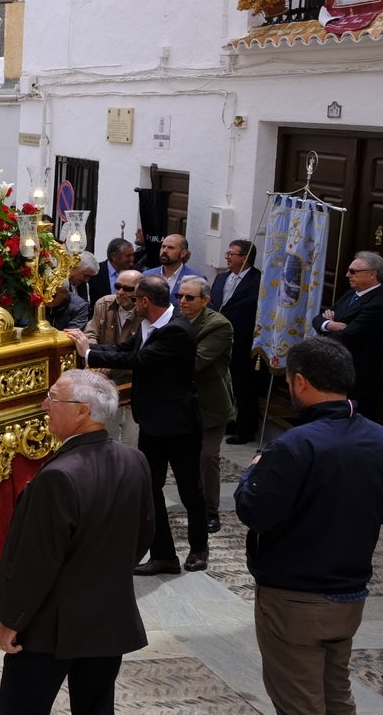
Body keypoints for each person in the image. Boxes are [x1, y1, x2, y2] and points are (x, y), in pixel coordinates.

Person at [235, 337, 383, 715]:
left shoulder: (294, 445)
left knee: (299, 703)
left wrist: (253, 472)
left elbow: (254, 512)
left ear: (299, 382)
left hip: (294, 596)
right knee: (336, 695)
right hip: (351, 591)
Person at [0, 370, 153, 715]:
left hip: (50, 629)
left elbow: (35, 562)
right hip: (108, 620)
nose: (44, 405)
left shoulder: (59, 477)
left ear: (83, 412)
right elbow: (143, 536)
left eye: (53, 398)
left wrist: (11, 620)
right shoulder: (134, 460)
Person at [67, 275, 208, 574]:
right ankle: (163, 555)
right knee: (151, 487)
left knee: (189, 489)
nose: (132, 304)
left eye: (136, 299)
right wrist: (91, 350)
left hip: (180, 425)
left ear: (145, 301)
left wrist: (89, 354)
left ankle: (199, 547)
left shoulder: (178, 330)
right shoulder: (148, 325)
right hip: (153, 422)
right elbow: (124, 348)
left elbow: (140, 359)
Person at [176, 276, 235, 535]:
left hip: (211, 403)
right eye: (180, 296)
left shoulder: (219, 325)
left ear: (205, 300)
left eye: (190, 298)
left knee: (207, 456)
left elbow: (196, 361)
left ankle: (210, 509)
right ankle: (192, 503)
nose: (183, 302)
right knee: (184, 456)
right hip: (181, 402)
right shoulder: (174, 319)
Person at [311, 250, 383, 423]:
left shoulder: (377, 305)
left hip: (356, 376)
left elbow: (347, 336)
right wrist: (330, 324)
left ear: (372, 274)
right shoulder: (351, 294)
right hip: (336, 370)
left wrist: (327, 327)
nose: (347, 274)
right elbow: (318, 319)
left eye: (353, 271)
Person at [84, 269, 143, 444]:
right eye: (118, 286)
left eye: (127, 289)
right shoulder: (104, 304)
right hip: (105, 381)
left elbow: (138, 351)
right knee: (106, 432)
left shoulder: (145, 311)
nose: (120, 292)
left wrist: (108, 362)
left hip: (133, 381)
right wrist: (96, 358)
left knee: (132, 438)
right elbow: (91, 334)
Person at [212, 240, 262, 443]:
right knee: (225, 385)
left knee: (244, 387)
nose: (227, 257)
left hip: (243, 341)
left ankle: (246, 429)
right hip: (219, 340)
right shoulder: (222, 277)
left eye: (232, 254)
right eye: (227, 252)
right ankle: (229, 421)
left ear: (245, 258)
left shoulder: (258, 280)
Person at [87, 238, 135, 303]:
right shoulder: (95, 273)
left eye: (133, 255)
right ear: (114, 256)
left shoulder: (135, 273)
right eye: (128, 256)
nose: (132, 259)